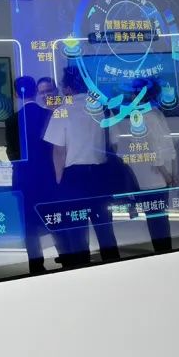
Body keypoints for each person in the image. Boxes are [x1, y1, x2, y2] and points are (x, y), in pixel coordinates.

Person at [44, 69, 120, 266]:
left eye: (63, 86)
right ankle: (114, 266)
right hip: (100, 176)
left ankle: (82, 269)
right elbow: (114, 145)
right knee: (105, 227)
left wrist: (59, 179)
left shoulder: (63, 111)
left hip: (74, 178)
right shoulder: (104, 109)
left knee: (77, 230)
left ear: (69, 88)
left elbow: (59, 151)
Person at [107, 79, 177, 253]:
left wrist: (167, 174)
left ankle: (162, 252)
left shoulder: (142, 116)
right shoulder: (155, 114)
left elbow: (154, 149)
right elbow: (167, 146)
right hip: (158, 177)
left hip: (151, 178)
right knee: (160, 218)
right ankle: (164, 252)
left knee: (156, 219)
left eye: (133, 93)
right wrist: (171, 173)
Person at [14, 76, 59, 275]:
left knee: (29, 225)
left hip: (24, 179)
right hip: (48, 175)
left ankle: (36, 265)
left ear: (16, 94)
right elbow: (55, 147)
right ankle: (67, 254)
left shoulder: (12, 120)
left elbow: (11, 154)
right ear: (35, 91)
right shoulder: (49, 115)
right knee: (54, 218)